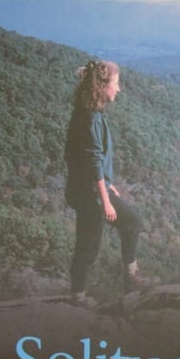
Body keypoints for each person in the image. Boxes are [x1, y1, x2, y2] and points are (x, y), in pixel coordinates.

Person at [65, 59, 145, 300]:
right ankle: (79, 296)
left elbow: (83, 157)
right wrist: (105, 200)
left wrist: (108, 186)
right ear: (101, 86)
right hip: (90, 195)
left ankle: (130, 279)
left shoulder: (90, 113)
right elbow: (93, 161)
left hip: (90, 189)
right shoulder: (89, 118)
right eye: (116, 83)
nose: (118, 89)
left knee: (129, 222)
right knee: (89, 246)